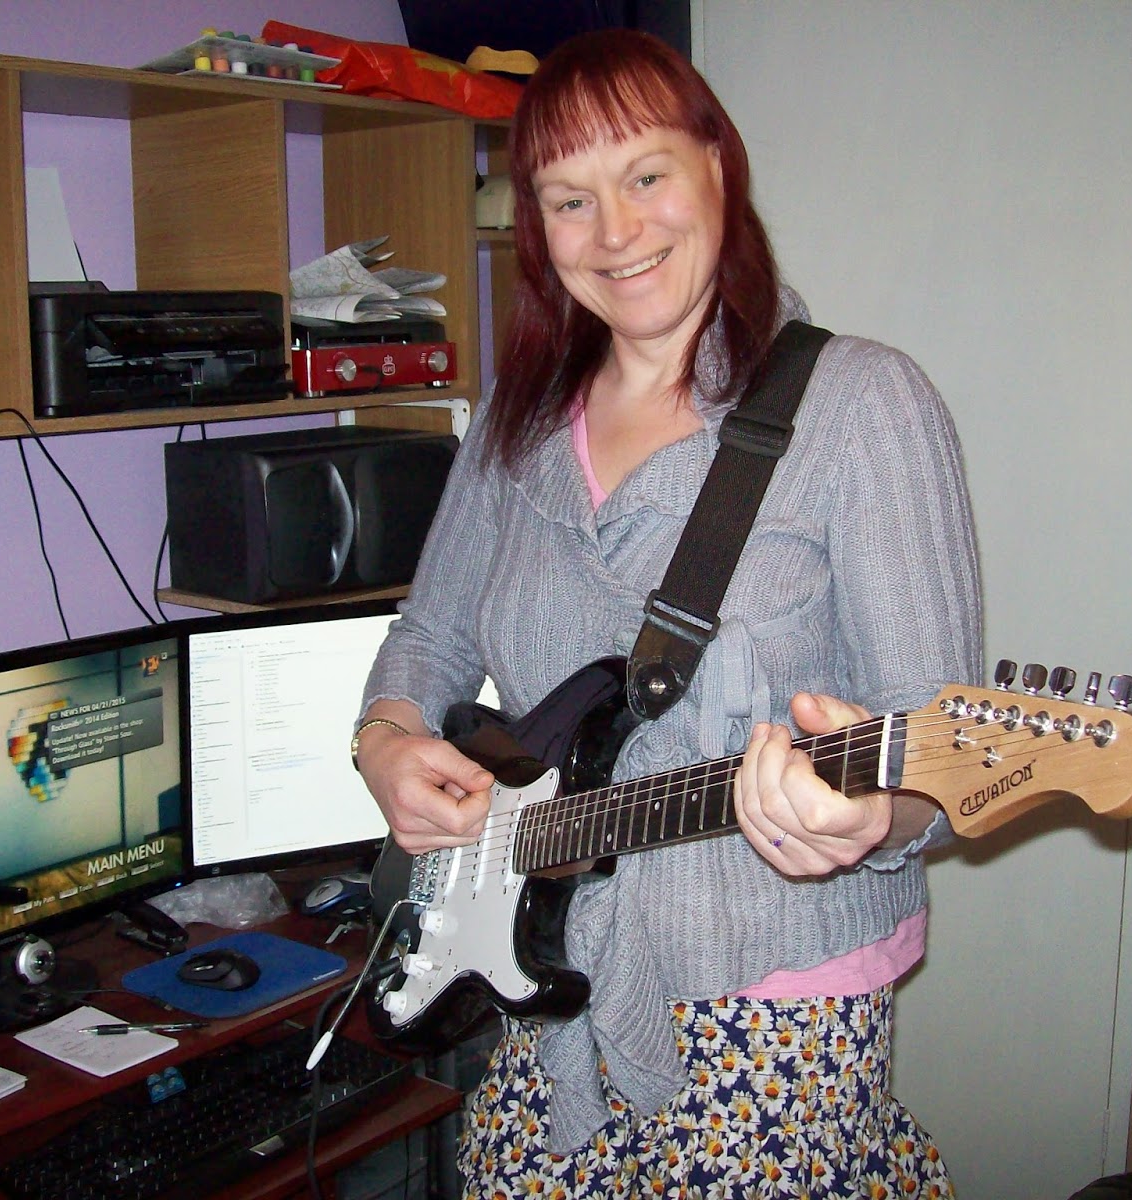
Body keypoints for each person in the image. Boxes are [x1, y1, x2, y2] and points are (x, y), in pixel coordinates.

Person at [353, 27, 980, 1200]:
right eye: (568, 200)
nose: (615, 232)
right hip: (538, 978)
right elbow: (428, 637)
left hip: (773, 1007)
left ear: (716, 169)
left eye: (645, 175)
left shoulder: (862, 407)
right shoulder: (516, 425)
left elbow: (939, 754)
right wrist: (385, 740)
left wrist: (876, 816)